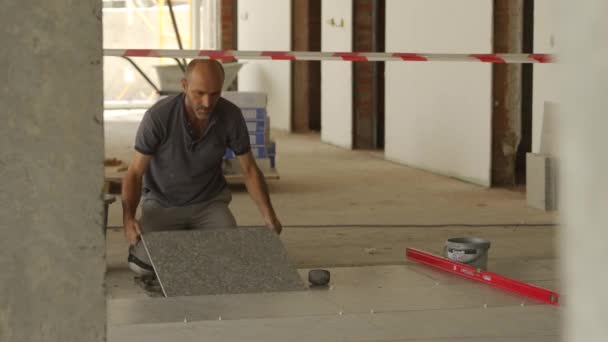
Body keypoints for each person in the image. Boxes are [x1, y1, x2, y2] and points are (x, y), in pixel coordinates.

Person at [121, 59, 282, 275]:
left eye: (215, 94)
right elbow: (134, 173)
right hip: (163, 205)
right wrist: (128, 219)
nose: (207, 103)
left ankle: (189, 250)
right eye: (199, 93)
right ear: (184, 85)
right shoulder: (158, 117)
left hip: (209, 204)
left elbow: (250, 169)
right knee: (141, 267)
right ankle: (191, 251)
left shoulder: (231, 115)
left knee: (232, 260)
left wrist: (268, 216)